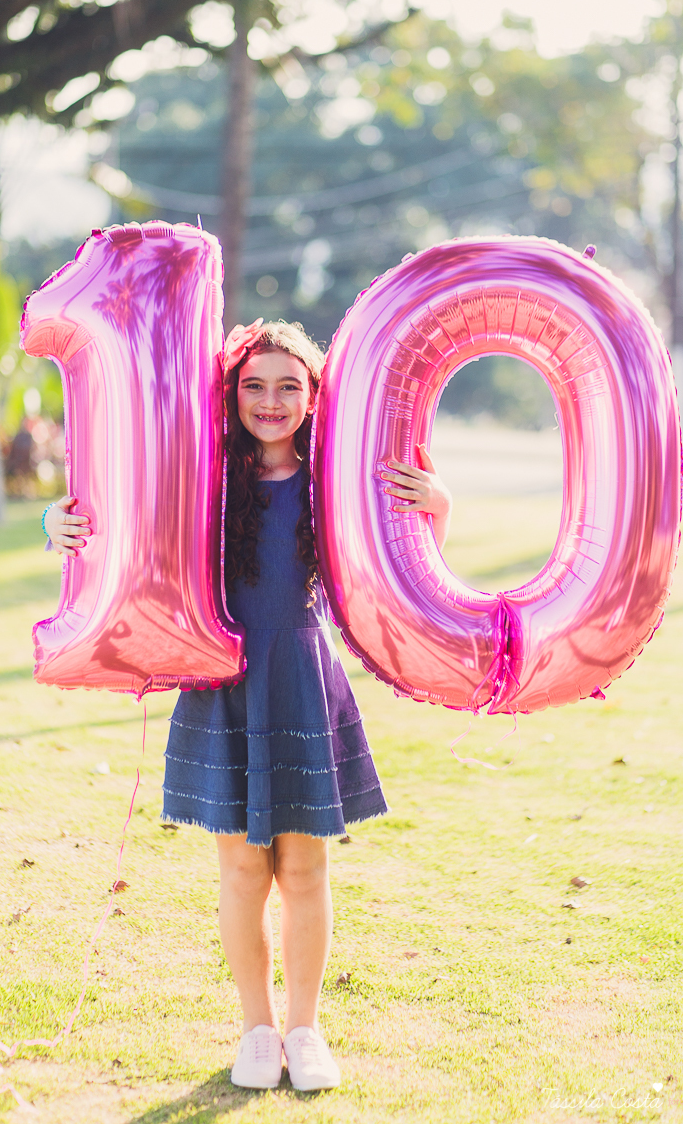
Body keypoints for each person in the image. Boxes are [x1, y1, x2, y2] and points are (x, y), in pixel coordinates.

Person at [43, 318, 452, 1092]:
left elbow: (410, 565)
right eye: (254, 385)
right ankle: (256, 1030)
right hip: (220, 680)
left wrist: (439, 501)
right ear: (230, 394)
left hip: (297, 672)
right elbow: (113, 523)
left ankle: (306, 1027)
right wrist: (54, 525)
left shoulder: (334, 480)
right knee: (240, 870)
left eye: (288, 386)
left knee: (303, 867)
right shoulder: (203, 478)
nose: (270, 400)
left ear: (314, 395)